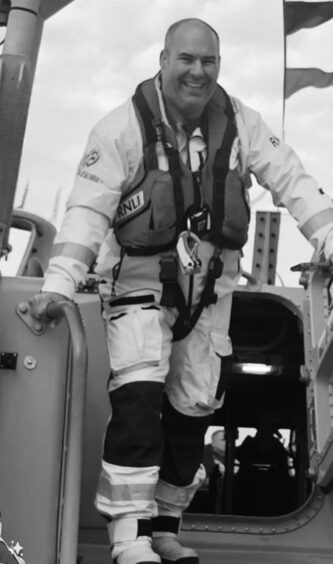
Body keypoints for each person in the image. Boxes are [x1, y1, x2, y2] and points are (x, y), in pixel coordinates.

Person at [29, 17, 333, 564]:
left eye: (209, 61)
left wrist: (329, 234)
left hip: (211, 300)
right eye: (187, 59)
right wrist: (58, 285)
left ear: (219, 66)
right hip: (140, 296)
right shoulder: (120, 128)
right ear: (164, 60)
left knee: (194, 413)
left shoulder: (242, 123)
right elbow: (85, 212)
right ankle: (129, 536)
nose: (198, 71)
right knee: (139, 405)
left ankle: (165, 526)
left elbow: (292, 178)